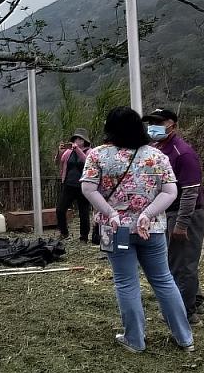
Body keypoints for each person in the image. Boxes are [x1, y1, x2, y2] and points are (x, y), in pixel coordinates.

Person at [81, 106, 194, 354]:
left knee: (126, 283)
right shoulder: (157, 156)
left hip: (115, 229)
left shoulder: (98, 155)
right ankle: (185, 338)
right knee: (164, 280)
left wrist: (111, 213)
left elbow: (88, 189)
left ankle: (135, 339)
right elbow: (170, 192)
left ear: (110, 128)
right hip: (151, 228)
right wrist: (147, 214)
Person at [142, 107, 204, 325]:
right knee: (179, 260)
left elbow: (191, 191)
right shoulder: (158, 148)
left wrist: (181, 224)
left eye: (160, 123)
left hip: (184, 213)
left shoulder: (183, 153)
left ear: (173, 125)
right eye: (151, 122)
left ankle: (185, 314)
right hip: (170, 212)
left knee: (182, 265)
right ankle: (196, 302)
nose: (154, 127)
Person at [55, 128, 92, 241]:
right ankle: (64, 232)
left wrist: (78, 150)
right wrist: (59, 152)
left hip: (83, 186)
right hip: (69, 184)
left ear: (84, 140)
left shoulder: (90, 152)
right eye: (75, 138)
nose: (77, 141)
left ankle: (84, 236)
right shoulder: (69, 152)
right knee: (60, 209)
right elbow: (57, 162)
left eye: (79, 139)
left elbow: (88, 162)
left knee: (83, 212)